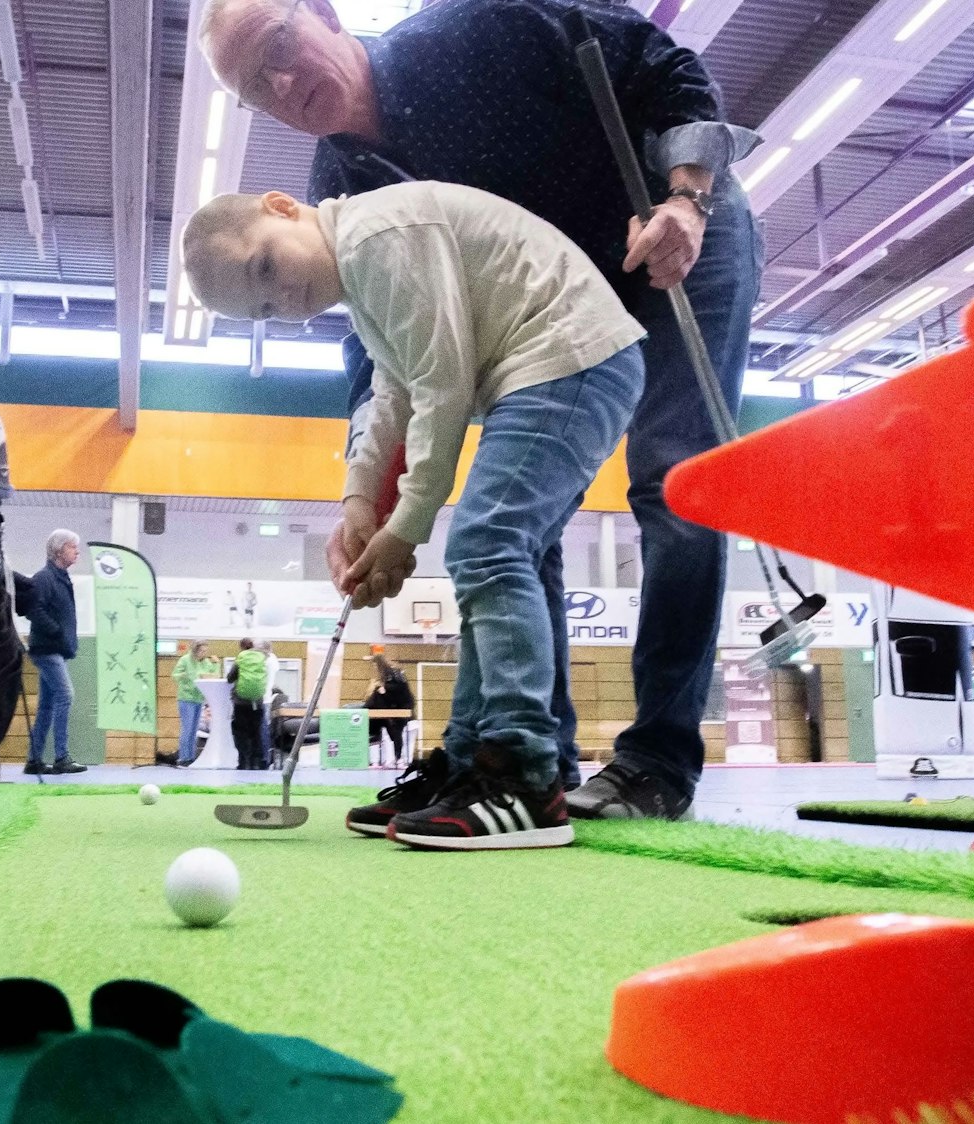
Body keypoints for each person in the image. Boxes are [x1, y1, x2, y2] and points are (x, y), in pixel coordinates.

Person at [200, 0, 760, 821]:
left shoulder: (475, 32)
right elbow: (381, 360)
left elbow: (658, 65)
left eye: (280, 46)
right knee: (512, 519)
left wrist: (687, 199)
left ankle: (657, 761)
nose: (280, 81)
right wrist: (368, 496)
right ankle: (524, 752)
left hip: (667, 236)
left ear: (321, 13)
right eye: (255, 85)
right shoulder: (340, 193)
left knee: (674, 483)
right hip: (549, 320)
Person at [183, 179, 643, 849]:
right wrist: (360, 503)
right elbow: (391, 391)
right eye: (262, 308)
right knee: (508, 551)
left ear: (283, 208)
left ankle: (520, 775)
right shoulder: (365, 284)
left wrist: (405, 527)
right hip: (564, 364)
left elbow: (442, 383)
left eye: (266, 268)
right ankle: (470, 764)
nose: (281, 299)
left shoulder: (377, 237)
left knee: (487, 543)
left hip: (568, 355)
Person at [14, 530, 87, 775]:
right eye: (72, 547)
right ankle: (61, 757)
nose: (77, 551)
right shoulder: (45, 578)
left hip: (54, 649)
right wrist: (56, 631)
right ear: (58, 550)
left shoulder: (60, 577)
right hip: (47, 649)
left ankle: (34, 760)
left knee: (46, 705)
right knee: (65, 695)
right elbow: (34, 609)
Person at [159, 640, 213, 767]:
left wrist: (215, 664)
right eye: (202, 651)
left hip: (199, 698)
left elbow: (210, 674)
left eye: (205, 651)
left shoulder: (206, 662)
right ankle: (184, 757)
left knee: (194, 730)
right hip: (186, 698)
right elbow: (175, 675)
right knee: (187, 729)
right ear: (195, 650)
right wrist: (184, 675)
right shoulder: (185, 660)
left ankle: (192, 757)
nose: (204, 653)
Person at [364, 651, 415, 767]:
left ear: (379, 664)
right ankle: (376, 760)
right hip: (388, 708)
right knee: (375, 729)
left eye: (375, 666)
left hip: (401, 707)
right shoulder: (384, 677)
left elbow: (401, 689)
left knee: (396, 731)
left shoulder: (395, 673)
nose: (374, 668)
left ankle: (399, 758)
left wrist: (384, 689)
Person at [228, 637, 270, 769]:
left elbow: (230, 678)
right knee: (256, 731)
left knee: (241, 732)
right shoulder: (262, 658)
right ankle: (256, 762)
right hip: (257, 701)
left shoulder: (241, 657)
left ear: (241, 647)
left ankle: (243, 762)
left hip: (241, 702)